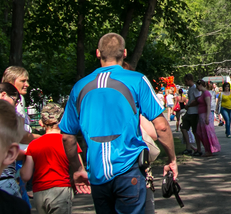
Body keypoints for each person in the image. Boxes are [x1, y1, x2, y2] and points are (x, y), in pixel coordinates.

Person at [59, 33, 178, 214]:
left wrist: (77, 168)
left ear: (98, 53)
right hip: (128, 169)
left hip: (97, 172)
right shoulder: (137, 80)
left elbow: (67, 136)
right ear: (125, 53)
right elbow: (161, 125)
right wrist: (172, 159)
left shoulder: (80, 86)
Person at [21, 103, 81, 214]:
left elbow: (25, 175)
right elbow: (79, 168)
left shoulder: (33, 145)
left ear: (41, 123)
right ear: (63, 121)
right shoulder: (68, 142)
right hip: (61, 189)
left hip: (39, 192)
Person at [0, 83, 25, 199]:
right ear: (4, 95)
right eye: (15, 100)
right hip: (4, 180)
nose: (15, 105)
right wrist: (28, 154)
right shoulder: (4, 118)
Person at [195, 80, 221, 156]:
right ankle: (208, 149)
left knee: (207, 133)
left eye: (197, 86)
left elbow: (208, 105)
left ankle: (210, 150)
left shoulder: (206, 93)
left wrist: (207, 116)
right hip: (201, 115)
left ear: (200, 85)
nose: (197, 88)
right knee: (200, 132)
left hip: (205, 114)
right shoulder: (202, 93)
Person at [180, 75, 200, 156]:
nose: (185, 83)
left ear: (190, 80)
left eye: (186, 81)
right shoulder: (190, 89)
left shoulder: (195, 89)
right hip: (189, 112)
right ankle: (188, 147)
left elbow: (198, 100)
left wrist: (189, 105)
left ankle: (198, 149)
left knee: (195, 131)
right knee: (184, 128)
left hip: (194, 112)